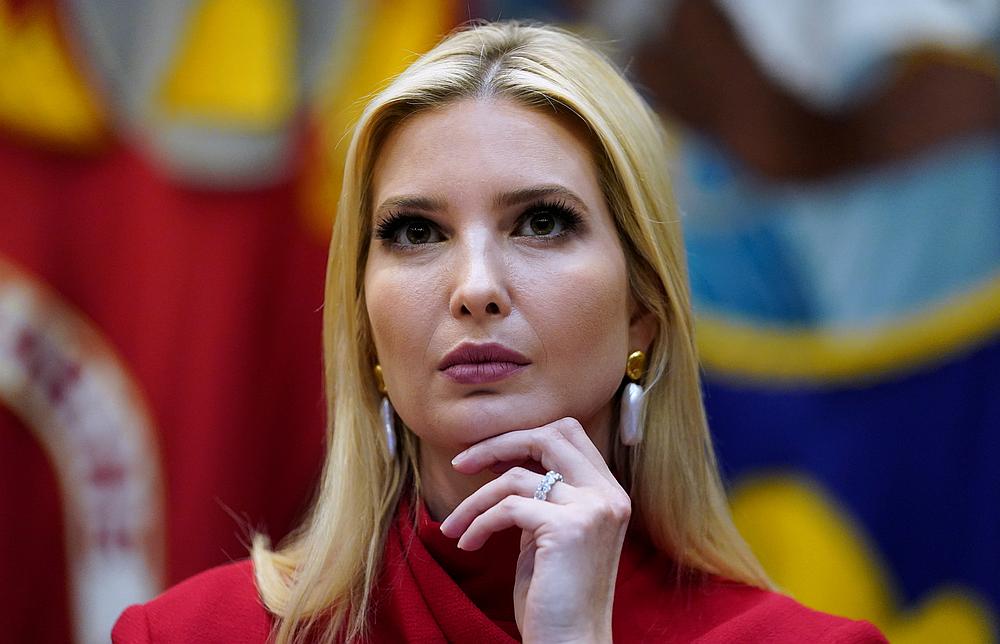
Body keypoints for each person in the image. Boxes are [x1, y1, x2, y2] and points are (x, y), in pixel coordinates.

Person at [112, 21, 886, 643]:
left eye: (541, 223)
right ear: (367, 331)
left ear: (641, 314)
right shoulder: (185, 634)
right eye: (416, 232)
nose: (475, 287)